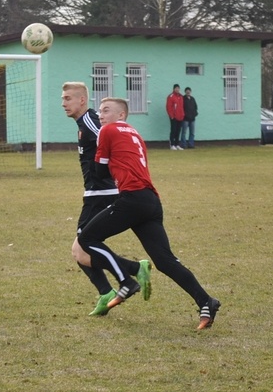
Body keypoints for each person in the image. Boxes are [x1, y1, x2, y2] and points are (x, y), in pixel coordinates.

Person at [77, 97, 221, 330]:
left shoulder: (107, 131)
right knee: (165, 261)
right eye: (100, 111)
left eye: (106, 110)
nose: (101, 115)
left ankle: (127, 278)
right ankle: (206, 300)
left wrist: (95, 156)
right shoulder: (135, 133)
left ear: (121, 115)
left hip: (132, 199)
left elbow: (99, 171)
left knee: (86, 239)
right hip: (151, 201)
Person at [61, 83, 151, 316]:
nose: (64, 103)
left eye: (68, 98)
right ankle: (108, 289)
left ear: (82, 100)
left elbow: (113, 138)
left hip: (102, 193)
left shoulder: (91, 120)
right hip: (94, 193)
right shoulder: (84, 123)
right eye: (63, 99)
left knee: (82, 246)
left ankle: (128, 274)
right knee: (79, 250)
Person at [166, 84, 185, 150]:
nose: (177, 89)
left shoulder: (181, 96)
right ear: (174, 89)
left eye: (178, 88)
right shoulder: (171, 96)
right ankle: (172, 144)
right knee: (173, 130)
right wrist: (171, 116)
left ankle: (177, 144)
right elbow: (169, 107)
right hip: (173, 117)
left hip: (180, 116)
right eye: (176, 88)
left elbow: (182, 107)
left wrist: (183, 115)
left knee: (178, 131)